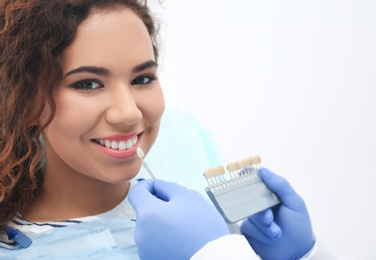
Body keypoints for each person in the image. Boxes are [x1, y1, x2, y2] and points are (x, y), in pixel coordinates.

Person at [0, 0, 335, 259]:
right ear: (28, 102)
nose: (129, 112)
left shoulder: (212, 228)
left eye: (142, 79)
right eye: (88, 83)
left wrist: (303, 255)